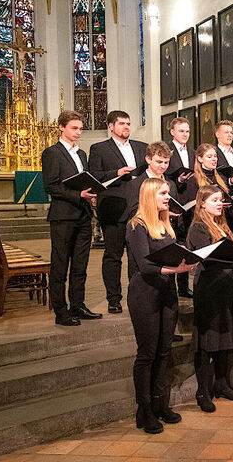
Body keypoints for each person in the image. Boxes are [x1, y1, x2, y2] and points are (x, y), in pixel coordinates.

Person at [126, 178, 197, 434]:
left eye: (168, 193)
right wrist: (176, 269)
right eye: (163, 193)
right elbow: (145, 266)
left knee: (164, 351)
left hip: (166, 292)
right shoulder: (136, 226)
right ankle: (143, 409)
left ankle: (160, 403)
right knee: (147, 354)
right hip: (144, 293)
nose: (168, 197)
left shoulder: (165, 226)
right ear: (149, 196)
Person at [187, 186, 233, 412]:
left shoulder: (222, 224)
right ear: (202, 203)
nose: (218, 203)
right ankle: (202, 392)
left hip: (226, 286)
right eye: (214, 200)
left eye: (220, 200)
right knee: (208, 341)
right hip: (209, 288)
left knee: (225, 337)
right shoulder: (198, 227)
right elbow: (211, 258)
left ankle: (221, 384)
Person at [41, 110, 100, 326]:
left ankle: (78, 305)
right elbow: (51, 186)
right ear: (61, 127)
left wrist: (89, 196)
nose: (78, 132)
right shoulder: (52, 153)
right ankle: (61, 311)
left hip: (83, 216)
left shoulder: (82, 154)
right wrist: (78, 195)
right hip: (63, 217)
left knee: (80, 265)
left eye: (80, 129)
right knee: (60, 266)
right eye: (74, 128)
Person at [88, 110, 147, 314]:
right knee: (113, 256)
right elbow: (94, 176)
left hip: (137, 210)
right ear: (111, 126)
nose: (126, 127)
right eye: (121, 123)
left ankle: (137, 295)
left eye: (128, 124)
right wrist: (117, 173)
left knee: (137, 256)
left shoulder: (142, 147)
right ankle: (114, 299)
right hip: (113, 209)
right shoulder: (99, 148)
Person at [165, 118, 195, 299]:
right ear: (172, 132)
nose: (185, 134)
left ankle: (184, 287)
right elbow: (164, 173)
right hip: (174, 199)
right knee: (174, 243)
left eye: (187, 131)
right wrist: (179, 180)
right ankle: (171, 286)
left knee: (186, 244)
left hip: (190, 202)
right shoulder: (168, 151)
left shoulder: (192, 152)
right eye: (181, 131)